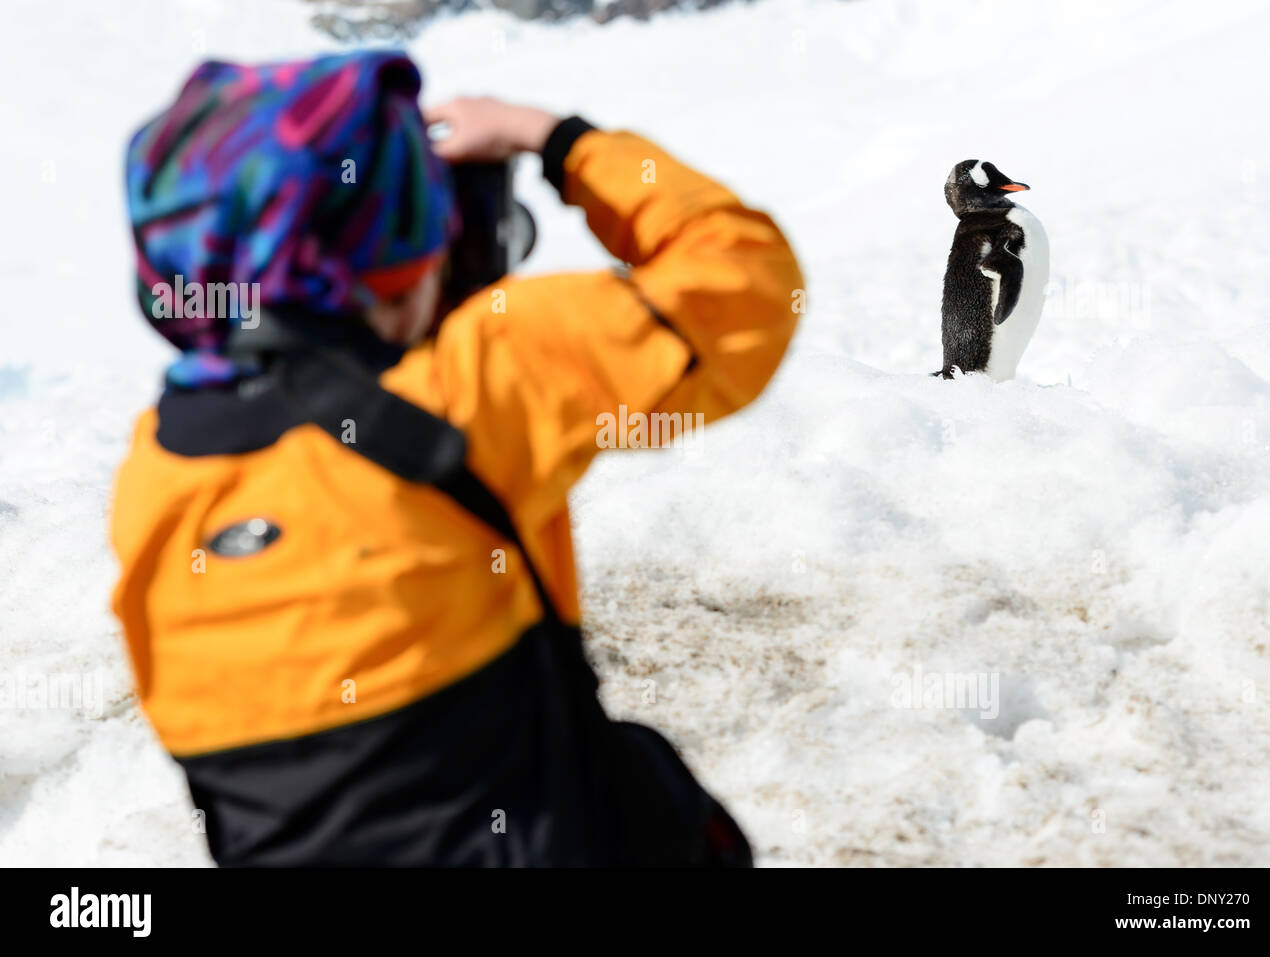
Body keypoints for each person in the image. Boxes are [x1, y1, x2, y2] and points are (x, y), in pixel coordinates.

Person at [112, 50, 803, 866]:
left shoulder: (157, 473)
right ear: (394, 253)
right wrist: (557, 140)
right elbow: (743, 279)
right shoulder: (475, 384)